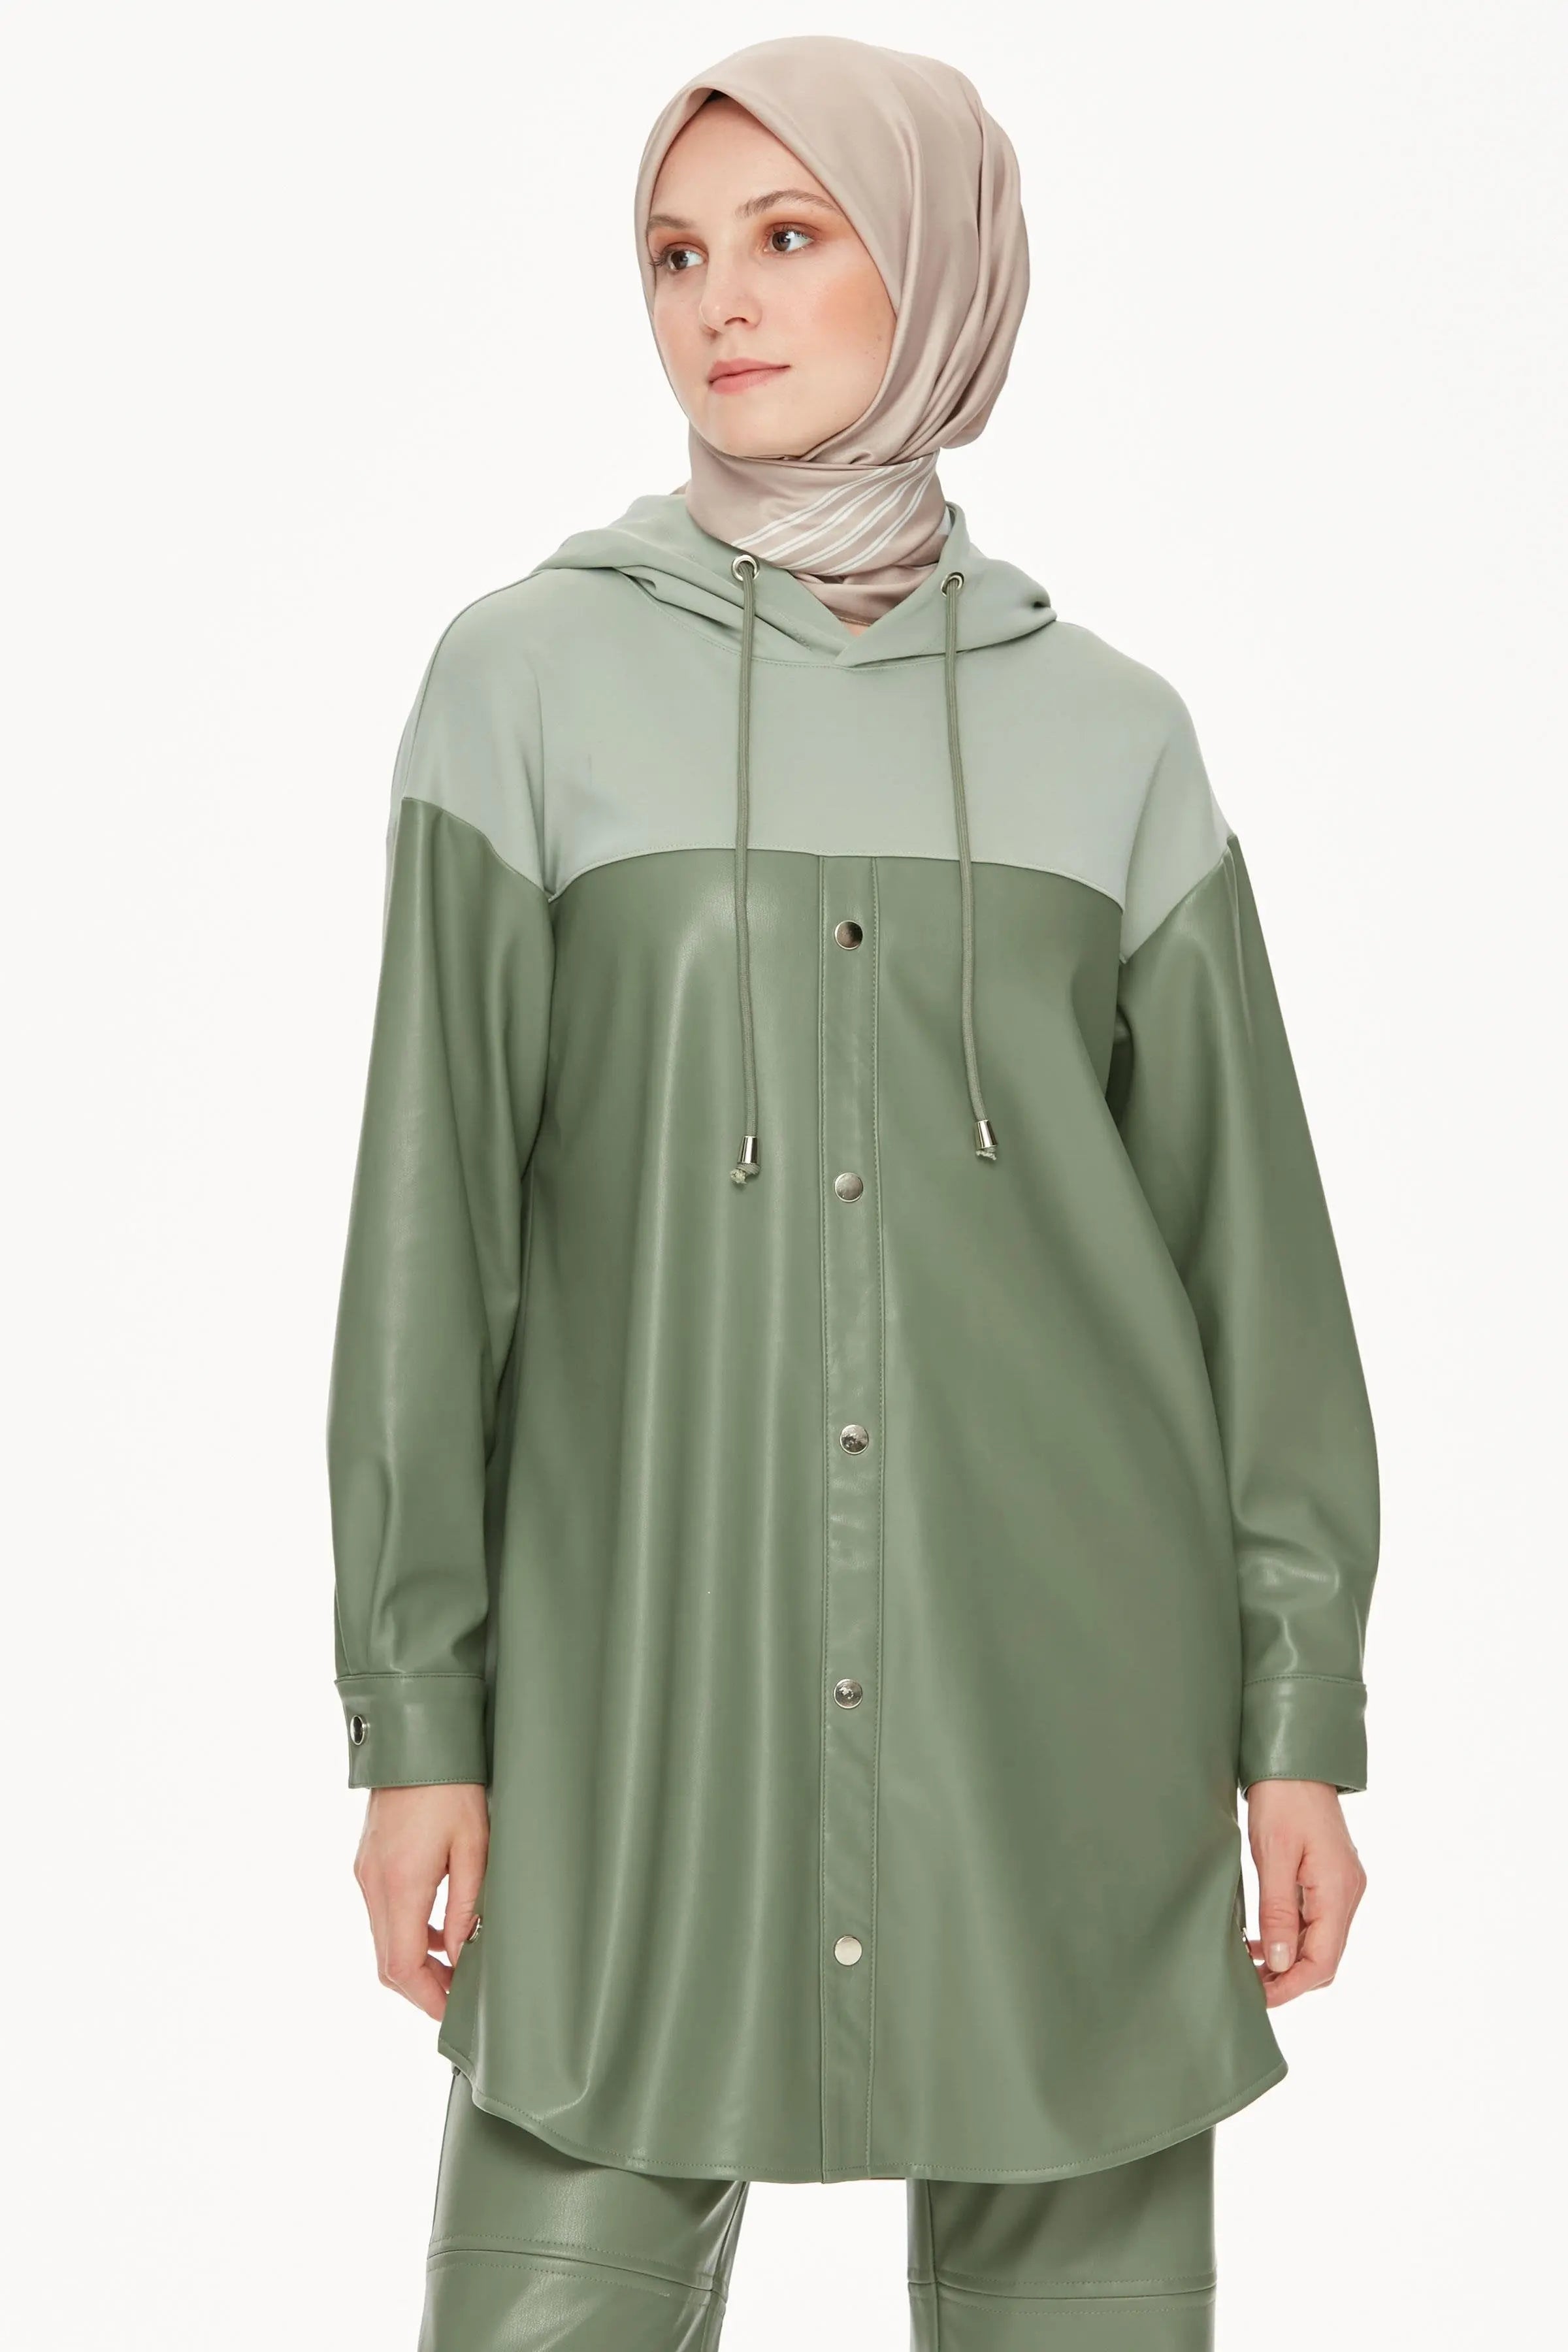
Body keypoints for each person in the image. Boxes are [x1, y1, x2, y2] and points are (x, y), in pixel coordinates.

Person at [326, 34, 1379, 2351]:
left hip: (1067, 1705)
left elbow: (1254, 1269)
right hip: (637, 1701)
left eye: (792, 237)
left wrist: (1300, 1706)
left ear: (942, 268)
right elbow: (429, 1242)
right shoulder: (523, 682)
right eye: (675, 252)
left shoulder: (1116, 735)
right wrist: (419, 1715)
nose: (720, 301)